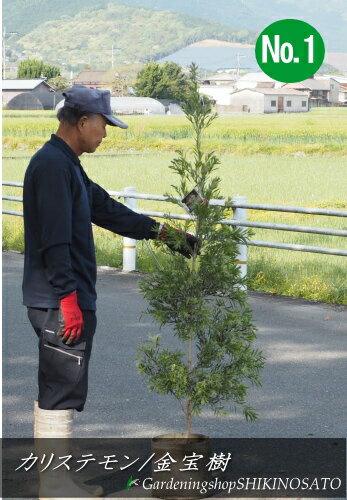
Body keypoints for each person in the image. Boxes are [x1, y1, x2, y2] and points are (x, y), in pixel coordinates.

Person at [22, 85, 198, 499]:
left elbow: (105, 208)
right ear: (82, 122)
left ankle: (59, 475)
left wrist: (164, 234)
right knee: (60, 386)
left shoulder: (67, 164)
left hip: (66, 296)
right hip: (58, 300)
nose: (106, 133)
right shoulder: (51, 166)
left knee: (65, 385)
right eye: (103, 125)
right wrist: (68, 299)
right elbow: (53, 239)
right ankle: (54, 484)